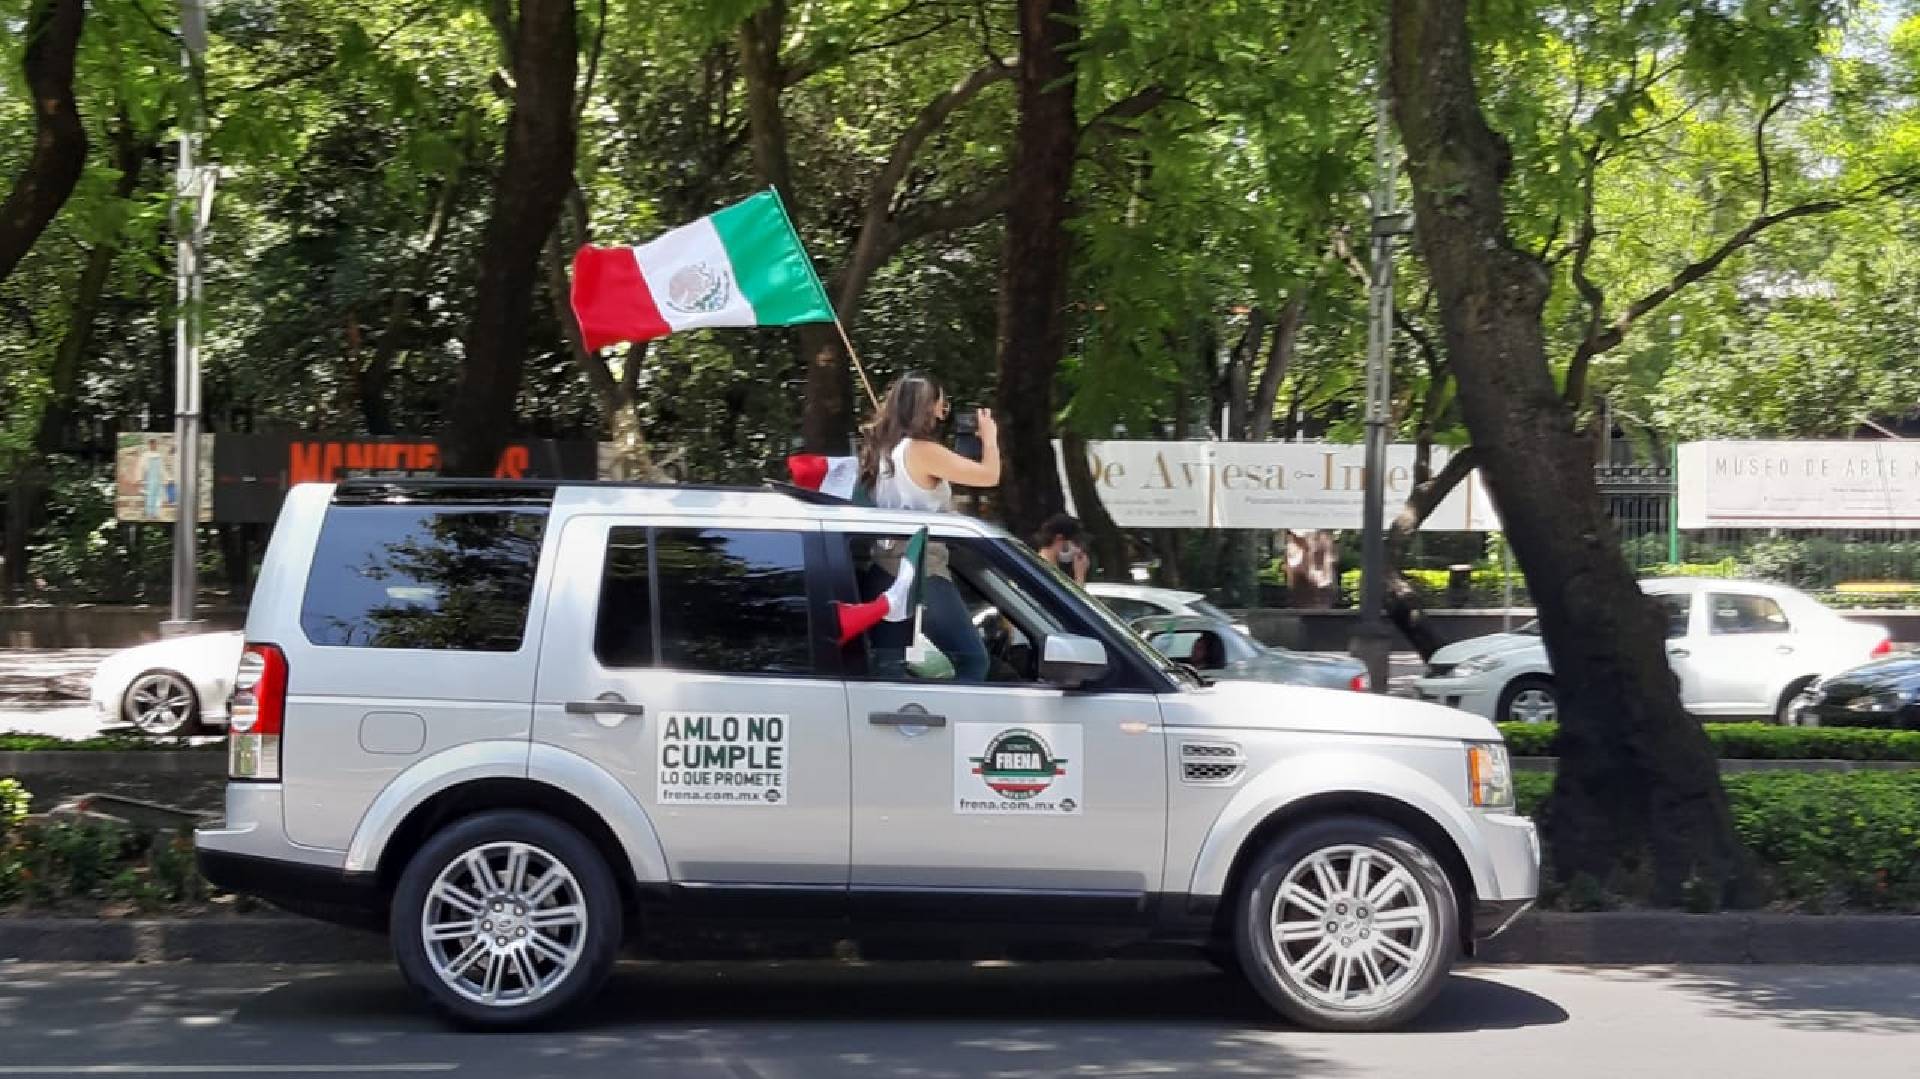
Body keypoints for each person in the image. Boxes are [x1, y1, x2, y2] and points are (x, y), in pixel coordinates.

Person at [859, 373, 1000, 682]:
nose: (942, 411)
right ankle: (956, 725)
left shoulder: (884, 449)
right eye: (941, 403)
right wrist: (989, 437)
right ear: (927, 406)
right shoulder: (921, 450)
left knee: (888, 672)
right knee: (973, 661)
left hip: (884, 569)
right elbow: (989, 476)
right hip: (922, 570)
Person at [1035, 513, 1089, 584]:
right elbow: (1065, 595)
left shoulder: (1050, 566)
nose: (1078, 550)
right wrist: (1080, 575)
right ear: (1059, 538)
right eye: (1075, 543)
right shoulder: (1045, 570)